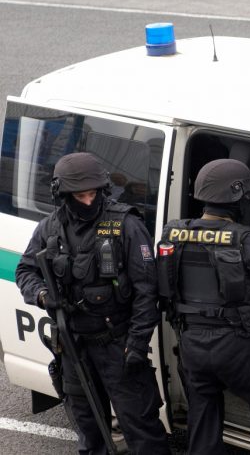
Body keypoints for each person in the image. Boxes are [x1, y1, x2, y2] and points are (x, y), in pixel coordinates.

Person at [15, 152, 170, 454]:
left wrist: (137, 344)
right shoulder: (50, 228)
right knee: (89, 430)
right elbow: (25, 271)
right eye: (80, 196)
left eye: (93, 194)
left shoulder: (126, 224)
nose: (88, 201)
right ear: (63, 194)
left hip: (118, 345)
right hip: (73, 346)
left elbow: (146, 290)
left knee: (142, 429)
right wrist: (43, 294)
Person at [159, 158, 250, 455]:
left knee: (202, 421)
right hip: (239, 345)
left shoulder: (173, 233)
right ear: (235, 197)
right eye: (245, 195)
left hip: (192, 344)